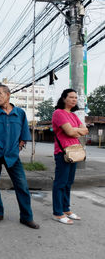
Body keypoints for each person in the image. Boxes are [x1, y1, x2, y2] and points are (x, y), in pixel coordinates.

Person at [0, 84, 39, 229]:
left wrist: (19, 147)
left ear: (8, 94)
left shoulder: (20, 113)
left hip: (13, 155)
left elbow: (24, 134)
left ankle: (26, 217)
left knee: (22, 186)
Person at [52, 89, 88, 224]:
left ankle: (66, 209)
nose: (74, 100)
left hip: (75, 151)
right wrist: (77, 131)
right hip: (63, 152)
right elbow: (69, 132)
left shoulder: (73, 115)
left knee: (68, 182)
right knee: (60, 183)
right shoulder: (58, 113)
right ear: (63, 99)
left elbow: (85, 130)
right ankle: (57, 213)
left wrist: (76, 131)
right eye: (71, 97)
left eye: (75, 98)